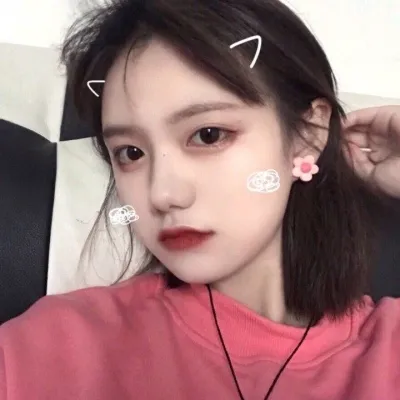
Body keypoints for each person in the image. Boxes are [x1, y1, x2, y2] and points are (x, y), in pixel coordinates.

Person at [1, 0, 400, 399]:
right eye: (131, 153)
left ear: (308, 134)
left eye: (208, 135)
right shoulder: (53, 347)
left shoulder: (387, 351)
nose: (163, 194)